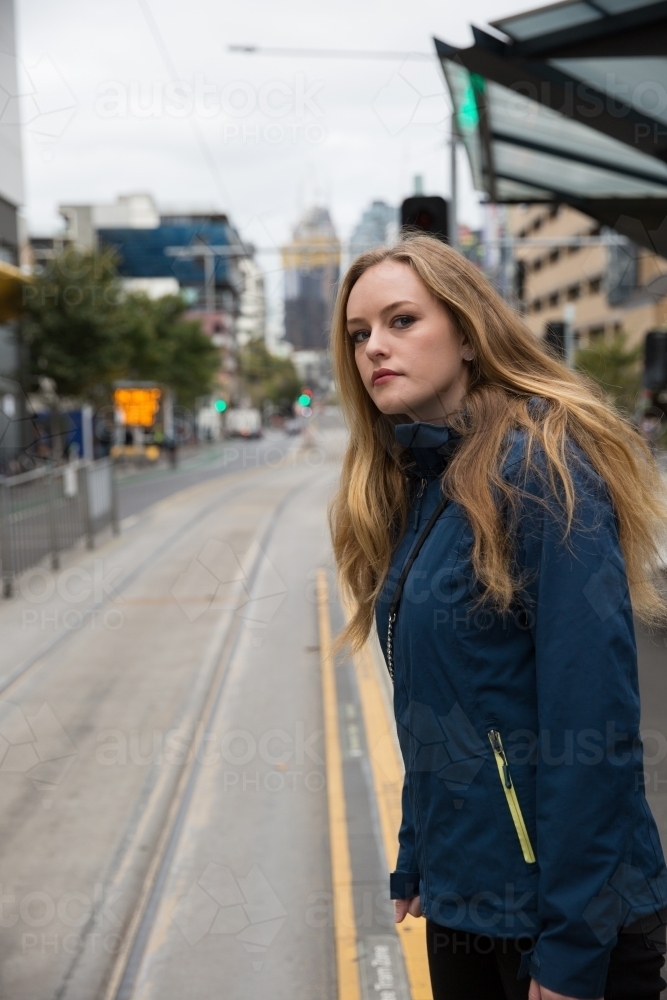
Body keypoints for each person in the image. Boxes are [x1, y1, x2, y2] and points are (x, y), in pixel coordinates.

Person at [329, 235, 667, 1000]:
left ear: (468, 334)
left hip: (559, 922)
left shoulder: (540, 472)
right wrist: (417, 851)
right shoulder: (419, 480)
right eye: (358, 334)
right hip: (465, 901)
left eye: (401, 320)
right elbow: (438, 702)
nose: (374, 346)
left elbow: (595, 726)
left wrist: (573, 945)